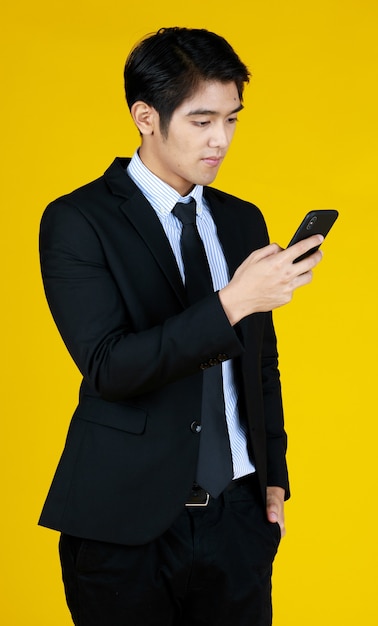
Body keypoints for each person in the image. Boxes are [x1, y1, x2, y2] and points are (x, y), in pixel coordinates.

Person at [39, 27, 323, 626]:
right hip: (122, 528)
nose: (221, 140)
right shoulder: (77, 220)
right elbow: (111, 368)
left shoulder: (242, 219)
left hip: (237, 517)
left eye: (232, 119)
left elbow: (259, 363)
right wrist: (231, 303)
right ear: (146, 116)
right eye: (201, 121)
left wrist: (273, 480)